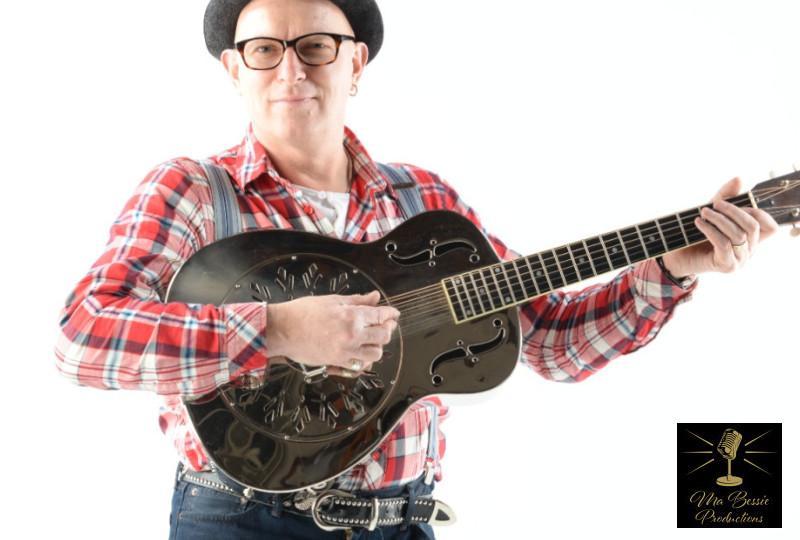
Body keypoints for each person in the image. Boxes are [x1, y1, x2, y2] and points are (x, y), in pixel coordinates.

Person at [54, 0, 779, 538]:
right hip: (241, 520)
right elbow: (81, 337)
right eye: (265, 50)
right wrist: (276, 330)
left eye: (315, 45)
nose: (292, 68)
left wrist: (672, 267)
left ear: (356, 62)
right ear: (233, 69)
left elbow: (552, 342)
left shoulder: (425, 202)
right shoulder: (190, 191)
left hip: (404, 520)